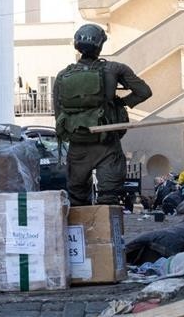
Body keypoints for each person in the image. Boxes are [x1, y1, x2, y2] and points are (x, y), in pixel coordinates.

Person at [53, 24, 152, 206]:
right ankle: (106, 233)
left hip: (78, 146)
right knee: (109, 199)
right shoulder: (115, 69)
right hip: (107, 144)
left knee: (77, 199)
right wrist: (120, 102)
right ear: (100, 46)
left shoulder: (62, 76)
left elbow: (58, 114)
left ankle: (81, 233)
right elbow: (144, 92)